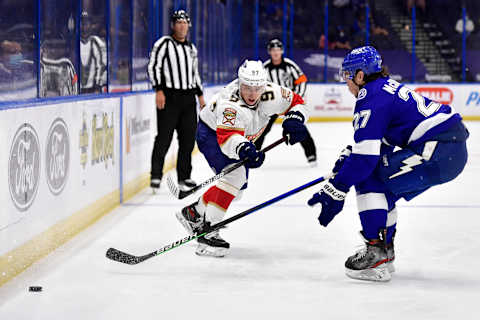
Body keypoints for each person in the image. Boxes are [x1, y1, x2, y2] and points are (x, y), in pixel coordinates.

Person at [307, 46, 469, 282]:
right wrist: (350, 158)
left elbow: (366, 161)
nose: (347, 83)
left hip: (439, 149)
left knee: (368, 178)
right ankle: (385, 250)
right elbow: (376, 150)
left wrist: (337, 187)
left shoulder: (370, 96)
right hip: (448, 148)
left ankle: (376, 253)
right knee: (383, 191)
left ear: (360, 75)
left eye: (348, 76)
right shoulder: (384, 88)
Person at [176, 60, 310, 257]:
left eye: (257, 88)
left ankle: (194, 213)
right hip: (212, 135)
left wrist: (295, 119)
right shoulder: (229, 104)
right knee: (234, 178)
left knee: (235, 191)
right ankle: (208, 232)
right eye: (247, 87)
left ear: (264, 86)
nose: (252, 94)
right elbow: (227, 140)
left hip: (238, 136)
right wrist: (244, 149)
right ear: (240, 83)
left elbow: (298, 102)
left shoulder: (272, 93)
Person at [147, 10, 206, 192]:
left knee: (188, 140)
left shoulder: (191, 48)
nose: (182, 26)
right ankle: (156, 176)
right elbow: (153, 66)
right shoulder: (164, 44)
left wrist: (200, 95)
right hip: (170, 97)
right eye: (178, 22)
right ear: (173, 25)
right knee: (164, 138)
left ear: (189, 26)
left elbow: (194, 74)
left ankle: (184, 176)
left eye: (185, 22)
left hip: (188, 98)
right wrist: (159, 90)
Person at [257, 39, 317, 166]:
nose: (275, 53)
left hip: (289, 103)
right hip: (271, 104)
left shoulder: (289, 65)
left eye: (278, 50)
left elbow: (301, 80)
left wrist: (297, 99)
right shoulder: (265, 68)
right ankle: (254, 153)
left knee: (297, 127)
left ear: (282, 51)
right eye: (273, 50)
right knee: (262, 129)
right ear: (269, 52)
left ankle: (311, 155)